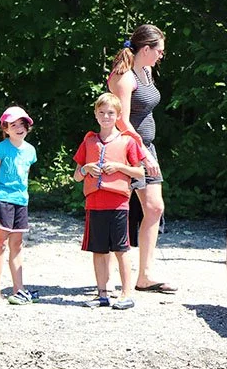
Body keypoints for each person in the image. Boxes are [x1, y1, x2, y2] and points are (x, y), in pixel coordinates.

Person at [107, 24, 176, 294]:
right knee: (118, 211)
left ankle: (145, 275)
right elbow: (122, 121)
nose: (162, 55)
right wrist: (142, 153)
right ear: (146, 49)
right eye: (159, 50)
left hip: (146, 147)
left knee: (155, 208)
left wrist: (147, 149)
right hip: (127, 150)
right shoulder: (123, 78)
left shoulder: (146, 71)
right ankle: (111, 274)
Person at [73, 93, 146, 310]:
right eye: (102, 112)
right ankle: (102, 293)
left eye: (111, 113)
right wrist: (86, 169)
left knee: (121, 249)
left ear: (118, 115)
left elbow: (140, 173)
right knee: (98, 250)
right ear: (96, 114)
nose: (106, 116)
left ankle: (126, 293)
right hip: (94, 204)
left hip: (118, 205)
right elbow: (77, 175)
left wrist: (119, 167)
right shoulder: (89, 141)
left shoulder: (127, 141)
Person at [0, 106, 37, 304]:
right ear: (6, 128)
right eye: (13, 124)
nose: (18, 128)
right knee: (0, 244)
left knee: (17, 244)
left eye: (21, 124)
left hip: (21, 200)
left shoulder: (31, 151)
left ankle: (19, 288)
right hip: (2, 198)